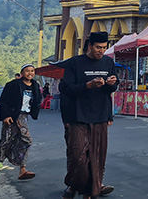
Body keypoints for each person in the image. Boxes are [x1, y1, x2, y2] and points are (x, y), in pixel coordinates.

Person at [60, 31, 119, 199]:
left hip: (100, 115)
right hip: (78, 116)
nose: (101, 51)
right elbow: (65, 89)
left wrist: (112, 84)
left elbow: (112, 89)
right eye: (98, 47)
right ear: (90, 46)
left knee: (98, 156)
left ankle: (91, 189)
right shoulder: (74, 63)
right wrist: (88, 85)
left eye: (104, 48)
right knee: (77, 156)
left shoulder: (108, 62)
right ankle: (75, 183)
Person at [0, 63, 42, 180]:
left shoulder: (35, 85)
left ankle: (21, 169)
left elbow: (37, 100)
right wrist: (5, 115)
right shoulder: (13, 85)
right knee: (9, 140)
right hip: (12, 116)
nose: (30, 73)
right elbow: (4, 101)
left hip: (23, 116)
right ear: (22, 73)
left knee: (19, 141)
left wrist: (34, 111)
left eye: (32, 71)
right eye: (27, 71)